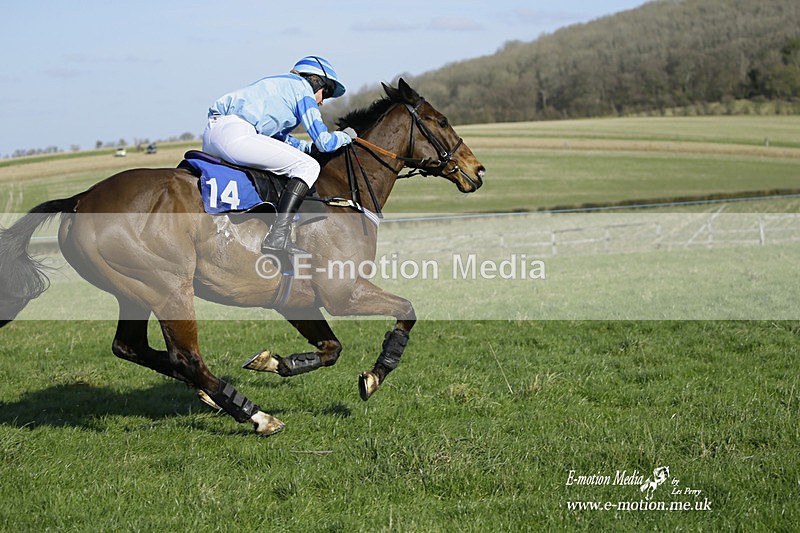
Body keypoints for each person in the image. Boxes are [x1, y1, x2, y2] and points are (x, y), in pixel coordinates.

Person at [202, 56, 356, 254]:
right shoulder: (303, 90)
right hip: (236, 134)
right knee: (308, 167)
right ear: (316, 81)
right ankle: (278, 236)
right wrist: (346, 136)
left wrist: (307, 148)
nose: (322, 102)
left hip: (213, 135)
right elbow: (325, 142)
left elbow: (279, 140)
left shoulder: (282, 87)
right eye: (325, 93)